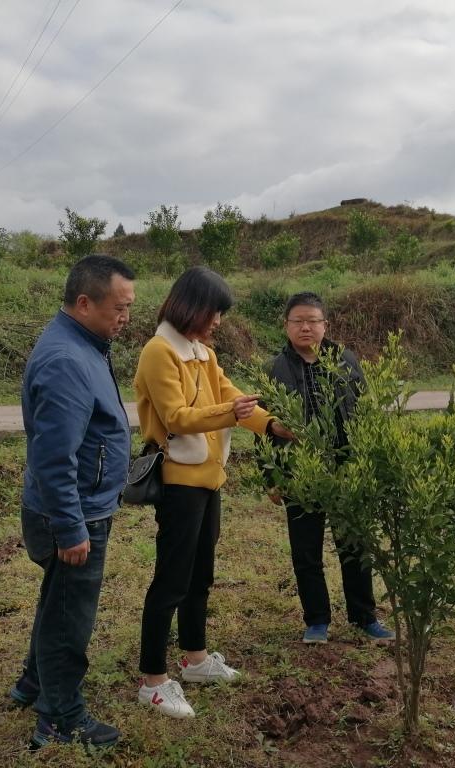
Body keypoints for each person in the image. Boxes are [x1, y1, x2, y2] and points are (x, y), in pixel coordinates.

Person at [133, 266, 293, 719]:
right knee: (171, 580)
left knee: (201, 573)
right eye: (215, 311)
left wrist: (271, 424)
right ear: (192, 306)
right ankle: (152, 680)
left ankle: (195, 658)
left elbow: (231, 396)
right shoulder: (159, 351)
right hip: (180, 482)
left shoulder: (202, 352)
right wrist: (230, 411)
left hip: (209, 479)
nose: (218, 321)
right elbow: (177, 417)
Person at [10, 255, 135, 750]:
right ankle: (60, 717)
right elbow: (53, 455)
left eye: (129, 307)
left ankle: (33, 684)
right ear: (84, 303)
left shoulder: (85, 343)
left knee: (57, 602)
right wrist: (72, 526)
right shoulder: (67, 359)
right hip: (74, 511)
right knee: (70, 617)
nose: (125, 317)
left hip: (79, 504)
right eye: (119, 308)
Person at [263, 292, 395, 645]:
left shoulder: (347, 361)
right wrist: (272, 476)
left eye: (312, 321)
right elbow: (264, 426)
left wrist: (370, 464)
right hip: (299, 474)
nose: (305, 327)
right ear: (287, 326)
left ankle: (365, 616)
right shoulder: (276, 368)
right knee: (306, 552)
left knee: (355, 545)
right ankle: (317, 620)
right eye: (298, 321)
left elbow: (366, 413)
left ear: (325, 325)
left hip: (347, 470)